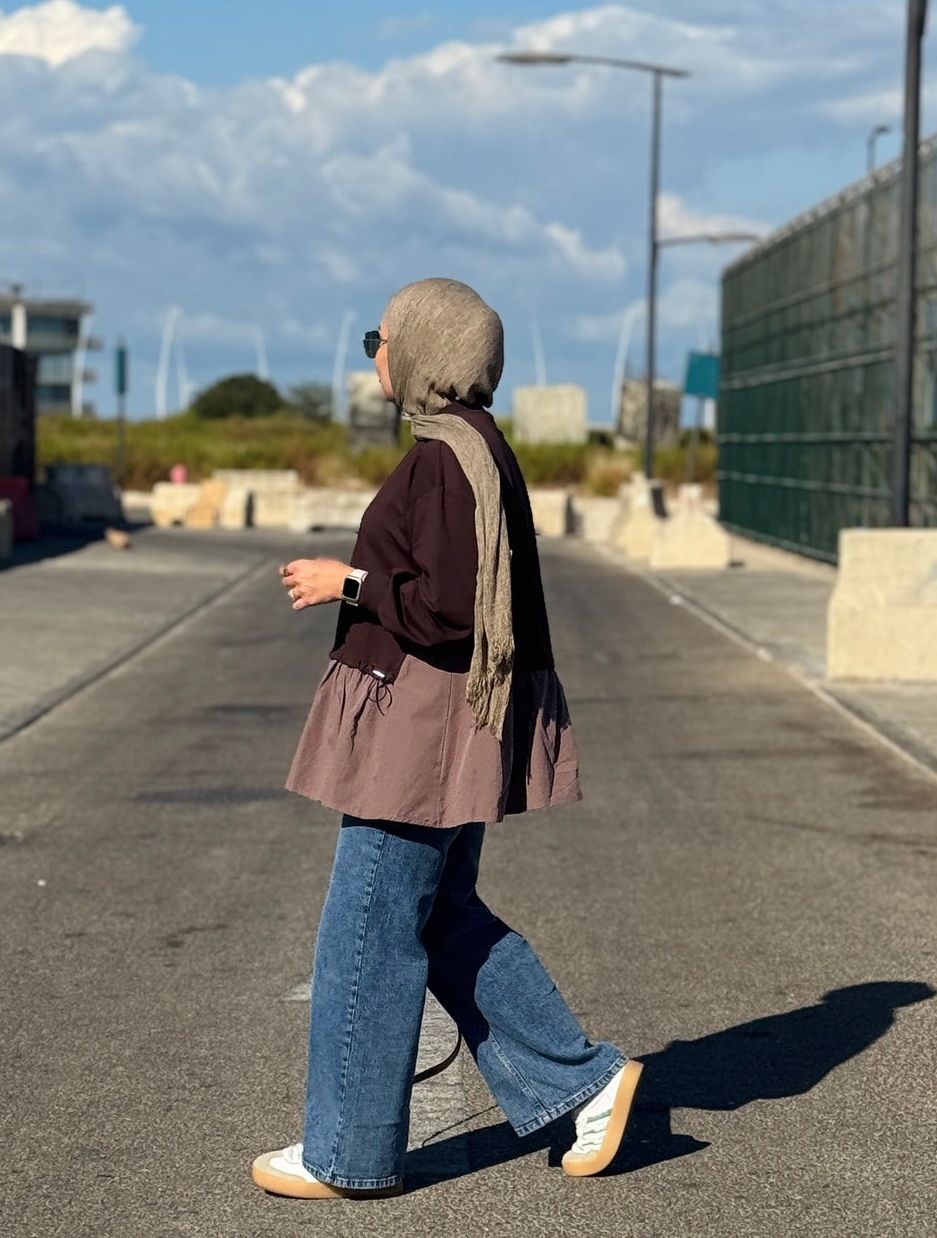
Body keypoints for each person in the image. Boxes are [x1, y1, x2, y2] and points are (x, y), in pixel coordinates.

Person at [252, 277, 641, 1200]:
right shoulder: (477, 449)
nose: (373, 355)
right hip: (449, 724)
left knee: (366, 931)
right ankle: (578, 1081)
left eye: (377, 339)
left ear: (422, 350)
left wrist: (347, 582)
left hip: (422, 731)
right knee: (435, 915)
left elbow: (446, 606)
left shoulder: (441, 459)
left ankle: (347, 1149)